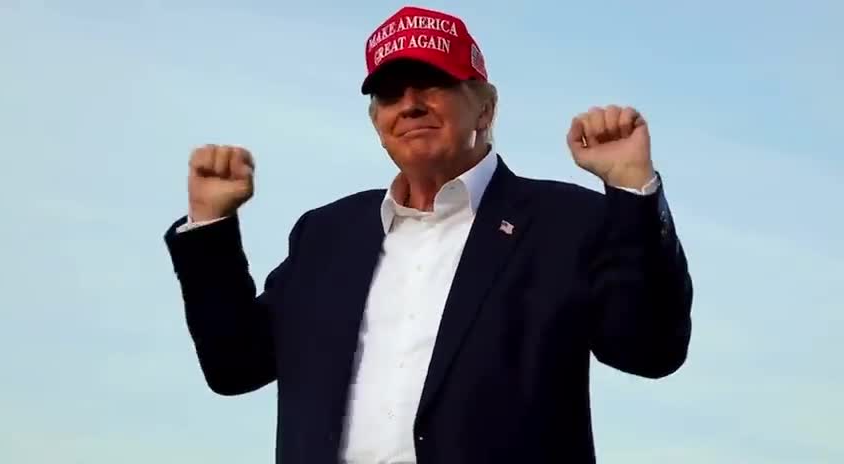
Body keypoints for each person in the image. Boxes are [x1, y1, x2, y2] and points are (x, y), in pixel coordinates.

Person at [163, 5, 693, 464]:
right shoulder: (326, 236)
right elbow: (236, 365)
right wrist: (211, 225)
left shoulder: (565, 222)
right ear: (377, 120)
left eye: (433, 83)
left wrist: (631, 192)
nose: (410, 103)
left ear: (484, 106)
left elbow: (648, 351)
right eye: (390, 93)